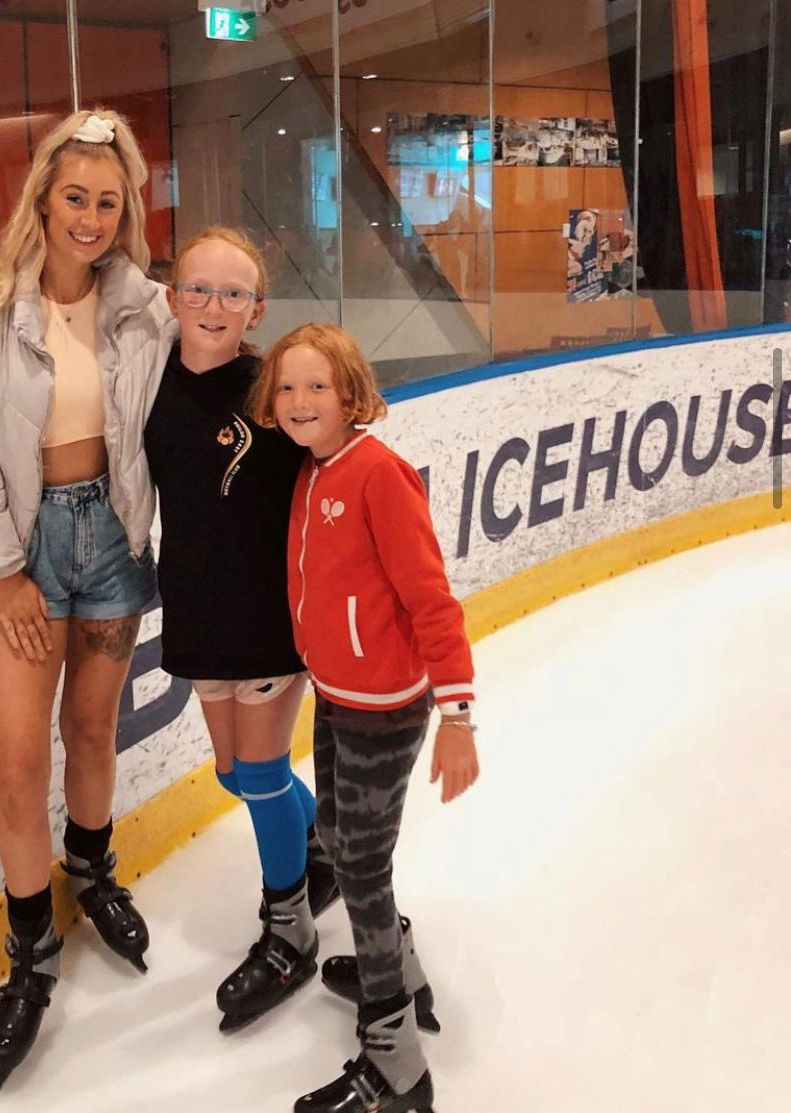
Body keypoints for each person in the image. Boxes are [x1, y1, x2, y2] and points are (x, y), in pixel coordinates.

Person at [0, 107, 172, 1091]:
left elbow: (190, 406)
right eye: (75, 197)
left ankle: (91, 873)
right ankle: (29, 955)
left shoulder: (147, 310)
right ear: (43, 199)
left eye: (109, 200)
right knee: (21, 765)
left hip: (110, 542)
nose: (91, 218)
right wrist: (6, 572)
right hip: (19, 549)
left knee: (95, 732)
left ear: (124, 209)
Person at [250, 323, 481, 1113]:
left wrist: (457, 716)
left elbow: (430, 598)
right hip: (335, 693)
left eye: (317, 386)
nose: (299, 401)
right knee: (343, 847)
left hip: (385, 709)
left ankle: (395, 1066)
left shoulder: (378, 474)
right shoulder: (313, 471)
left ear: (351, 394)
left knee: (360, 868)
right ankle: (400, 967)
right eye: (285, 387)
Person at [143, 228, 338, 1034]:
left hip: (268, 614)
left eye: (233, 294)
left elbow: (339, 461)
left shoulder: (273, 388)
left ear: (256, 308)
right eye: (198, 289)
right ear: (171, 297)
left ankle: (288, 929)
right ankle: (319, 847)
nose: (213, 307)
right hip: (194, 606)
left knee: (258, 773)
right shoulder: (145, 385)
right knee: (233, 772)